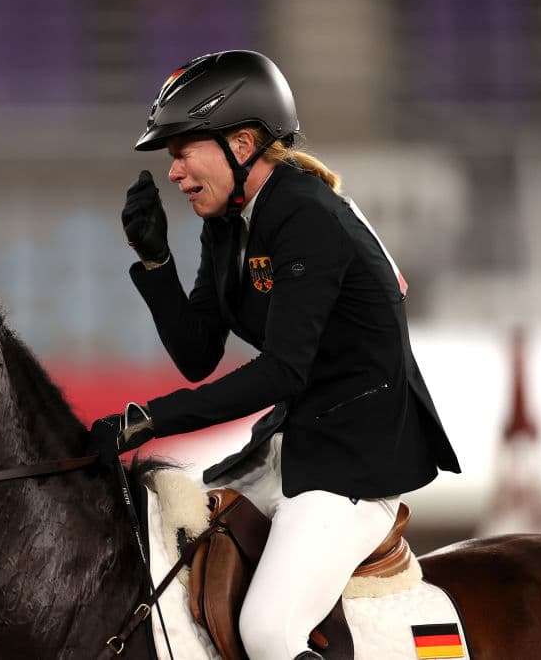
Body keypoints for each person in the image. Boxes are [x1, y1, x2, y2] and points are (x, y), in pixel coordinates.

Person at [90, 50, 461, 660]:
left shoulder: (304, 214)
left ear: (242, 143)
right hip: (297, 441)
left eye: (183, 151)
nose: (175, 172)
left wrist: (147, 420)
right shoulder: (230, 222)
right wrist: (158, 263)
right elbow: (197, 354)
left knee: (267, 631)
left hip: (357, 463)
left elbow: (282, 370)